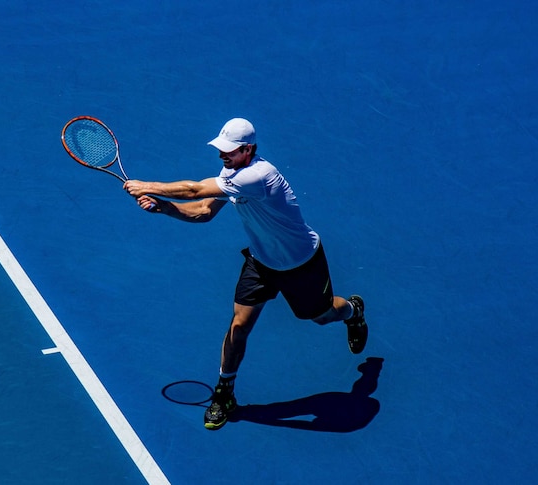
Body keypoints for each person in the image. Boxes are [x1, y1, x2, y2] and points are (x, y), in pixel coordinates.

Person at [123, 118, 368, 430]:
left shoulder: (258, 176)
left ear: (248, 149)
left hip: (302, 263)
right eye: (221, 149)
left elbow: (195, 189)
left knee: (320, 316)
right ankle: (224, 392)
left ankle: (352, 311)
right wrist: (164, 208)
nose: (223, 155)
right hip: (261, 262)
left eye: (229, 151)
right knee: (239, 325)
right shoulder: (232, 173)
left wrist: (147, 186)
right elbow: (203, 211)